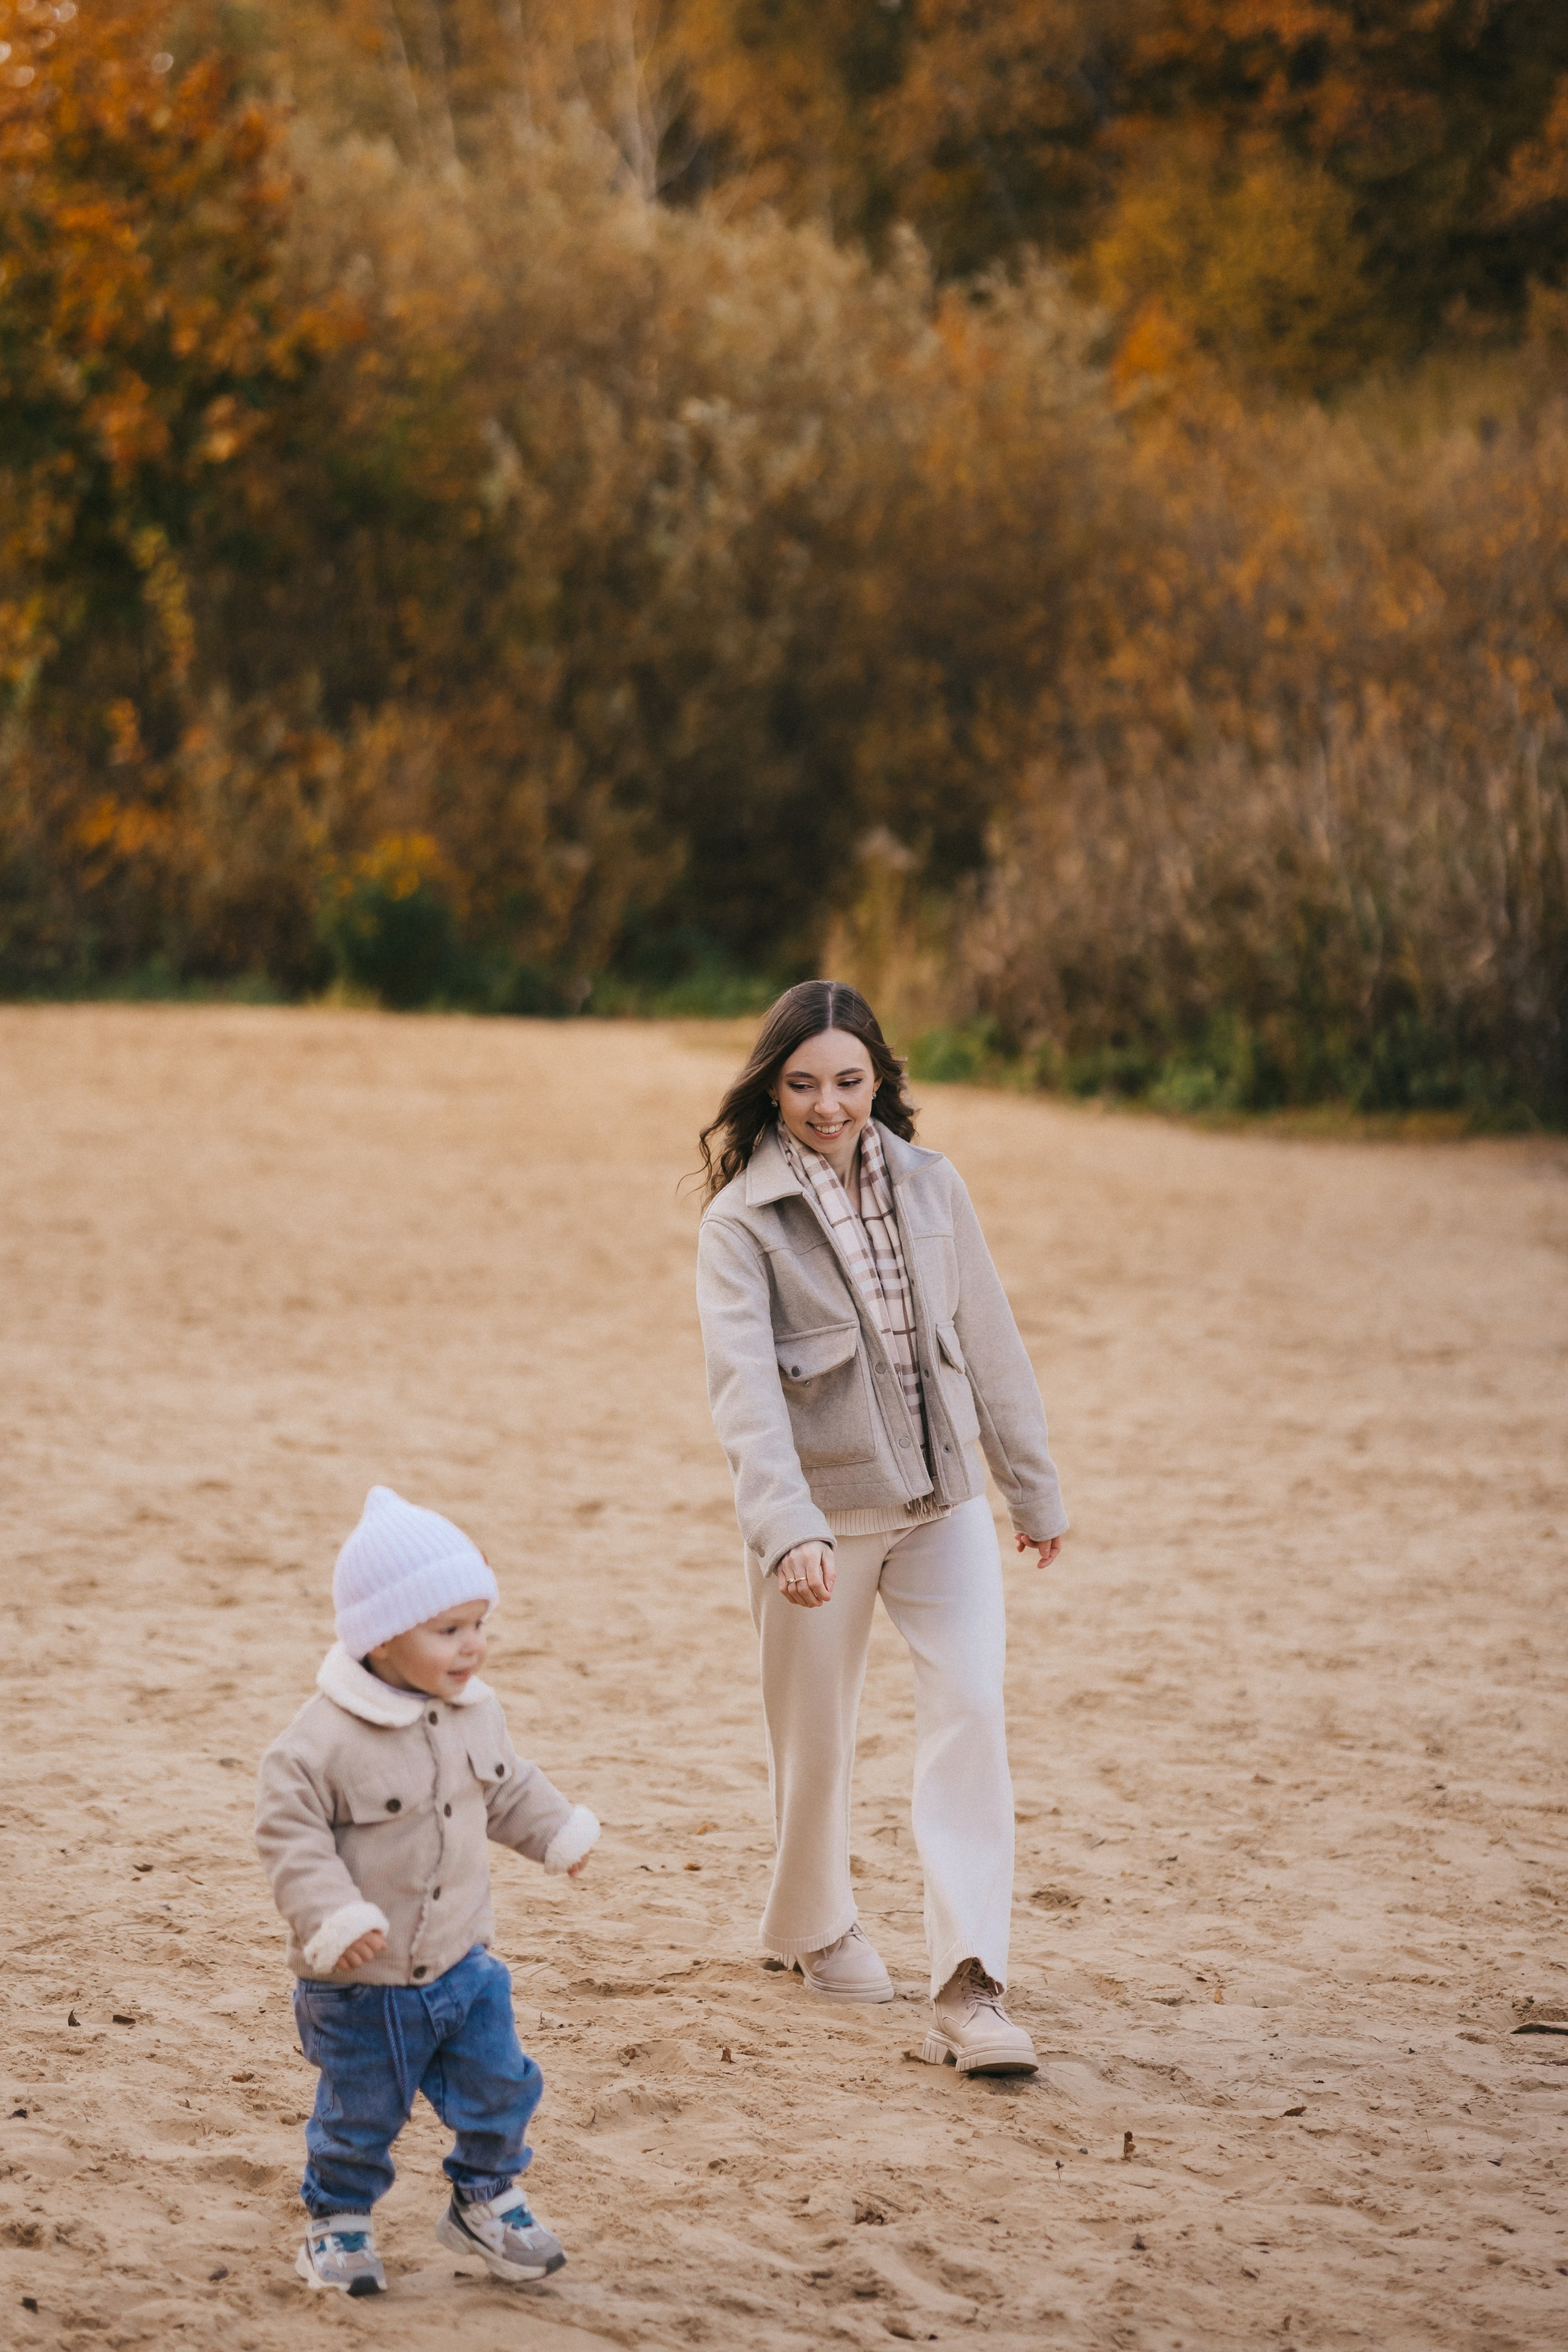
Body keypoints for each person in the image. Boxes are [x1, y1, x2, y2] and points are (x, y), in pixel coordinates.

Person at [695, 981, 1068, 2075]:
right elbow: (745, 1395)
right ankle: (815, 1927)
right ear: (772, 1085)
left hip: (943, 1501)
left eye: (848, 1082)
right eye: (804, 1083)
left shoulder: (933, 1184)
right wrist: (785, 1525)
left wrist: (1031, 1489)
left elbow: (990, 1342)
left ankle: (970, 1982)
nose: (827, 1104)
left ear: (878, 1081)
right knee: (814, 1740)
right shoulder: (740, 1223)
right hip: (818, 1518)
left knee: (973, 1708)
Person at [255, 1486, 600, 2296]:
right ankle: (336, 2224)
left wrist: (557, 1834)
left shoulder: (475, 1714)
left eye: (479, 1625)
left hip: (463, 1967)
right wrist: (333, 1916)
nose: (472, 1646)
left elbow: (508, 1790)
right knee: (360, 2117)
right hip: (361, 1988)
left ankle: (484, 2196)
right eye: (448, 1630)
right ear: (380, 1637)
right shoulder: (319, 1743)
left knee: (502, 2086)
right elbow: (290, 1840)